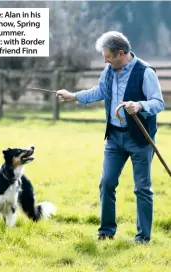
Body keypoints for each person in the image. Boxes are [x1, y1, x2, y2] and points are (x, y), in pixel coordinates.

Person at [56, 31, 165, 243]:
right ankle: (106, 232)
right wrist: (74, 96)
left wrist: (139, 105)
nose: (104, 60)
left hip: (140, 139)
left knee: (142, 188)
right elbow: (100, 91)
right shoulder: (109, 70)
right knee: (106, 183)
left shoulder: (145, 72)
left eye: (107, 57)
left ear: (121, 53)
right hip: (115, 137)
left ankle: (143, 238)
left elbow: (158, 102)